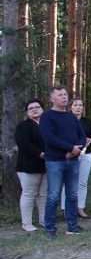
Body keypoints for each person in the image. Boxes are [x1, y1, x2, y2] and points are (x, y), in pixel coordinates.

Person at [40, 85, 86, 239]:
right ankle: (50, 229)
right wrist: (70, 147)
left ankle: (72, 226)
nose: (64, 97)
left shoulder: (71, 116)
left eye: (65, 94)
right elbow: (49, 138)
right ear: (52, 98)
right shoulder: (47, 116)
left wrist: (77, 149)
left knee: (72, 194)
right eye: (60, 95)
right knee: (53, 195)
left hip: (72, 160)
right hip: (55, 161)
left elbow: (82, 136)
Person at [15, 98, 47, 232]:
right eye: (31, 108)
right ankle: (26, 223)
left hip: (47, 165)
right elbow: (24, 144)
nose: (34, 109)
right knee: (29, 194)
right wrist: (40, 154)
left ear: (42, 109)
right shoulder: (23, 126)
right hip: (28, 166)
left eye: (37, 107)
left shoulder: (47, 125)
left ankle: (44, 220)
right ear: (27, 113)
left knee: (44, 195)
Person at [61, 98, 91, 219]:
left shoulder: (87, 121)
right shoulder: (65, 120)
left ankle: (80, 208)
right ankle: (66, 209)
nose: (78, 107)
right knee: (68, 182)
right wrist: (72, 149)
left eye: (80, 105)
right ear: (70, 107)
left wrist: (86, 144)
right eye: (75, 105)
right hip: (69, 154)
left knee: (82, 183)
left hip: (86, 154)